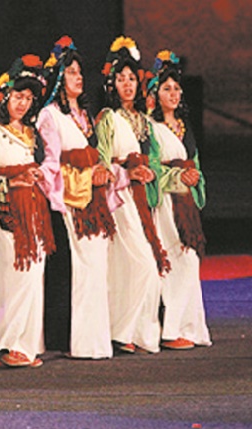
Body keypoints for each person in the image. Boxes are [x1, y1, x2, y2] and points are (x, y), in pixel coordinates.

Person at [0, 55, 55, 368]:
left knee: (33, 275)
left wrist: (38, 176)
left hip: (32, 210)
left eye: (29, 99)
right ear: (4, 96)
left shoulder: (31, 133)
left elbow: (45, 166)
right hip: (4, 212)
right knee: (10, 278)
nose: (23, 104)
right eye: (18, 96)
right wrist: (10, 180)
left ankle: (23, 345)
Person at [37, 36, 117, 360]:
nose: (79, 77)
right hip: (71, 200)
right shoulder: (49, 116)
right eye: (71, 72)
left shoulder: (84, 115)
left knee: (97, 267)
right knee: (82, 269)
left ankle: (98, 340)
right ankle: (82, 342)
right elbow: (51, 164)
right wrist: (78, 183)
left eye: (80, 72)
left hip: (93, 199)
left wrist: (102, 170)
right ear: (58, 77)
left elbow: (95, 154)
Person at [95, 36, 171, 355]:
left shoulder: (142, 121)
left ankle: (139, 331)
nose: (127, 84)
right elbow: (101, 161)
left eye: (131, 78)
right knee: (137, 265)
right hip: (118, 200)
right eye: (121, 78)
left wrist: (148, 170)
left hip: (138, 197)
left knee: (147, 267)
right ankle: (118, 330)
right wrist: (127, 171)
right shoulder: (107, 118)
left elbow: (151, 157)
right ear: (111, 83)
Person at [146, 50, 211, 350]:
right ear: (155, 94)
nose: (173, 93)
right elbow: (153, 168)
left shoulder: (184, 127)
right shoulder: (152, 129)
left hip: (184, 205)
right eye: (166, 88)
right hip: (165, 206)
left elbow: (193, 162)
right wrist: (176, 179)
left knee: (190, 259)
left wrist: (194, 178)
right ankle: (170, 329)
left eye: (176, 88)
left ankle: (189, 326)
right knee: (176, 261)